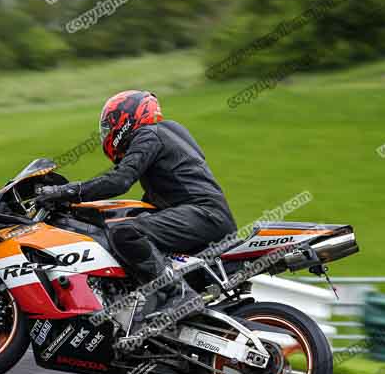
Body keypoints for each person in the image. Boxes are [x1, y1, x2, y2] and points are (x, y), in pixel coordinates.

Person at [35, 90, 237, 353]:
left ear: (127, 118)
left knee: (126, 234)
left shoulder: (149, 134)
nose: (107, 132)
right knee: (130, 224)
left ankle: (178, 294)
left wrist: (67, 191)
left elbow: (119, 181)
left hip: (202, 214)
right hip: (204, 215)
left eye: (110, 125)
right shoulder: (169, 133)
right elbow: (155, 194)